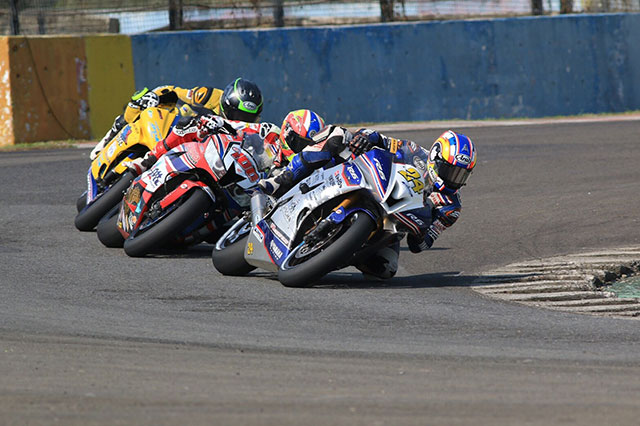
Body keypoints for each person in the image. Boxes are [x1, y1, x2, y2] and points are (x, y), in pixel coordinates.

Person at [258, 126, 477, 280]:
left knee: (386, 269)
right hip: (370, 184)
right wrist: (364, 138)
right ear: (436, 158)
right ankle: (283, 179)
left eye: (461, 175)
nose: (454, 179)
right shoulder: (414, 152)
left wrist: (423, 230)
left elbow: (420, 246)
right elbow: (377, 138)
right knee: (337, 135)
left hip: (390, 227)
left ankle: (338, 252)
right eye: (451, 171)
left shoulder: (451, 207)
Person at [90, 77, 264, 160]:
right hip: (173, 129)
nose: (240, 120)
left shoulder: (249, 132)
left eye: (247, 118)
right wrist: (156, 97)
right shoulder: (209, 96)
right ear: (226, 104)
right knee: (138, 104)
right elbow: (174, 91)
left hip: (194, 153)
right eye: (237, 115)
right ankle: (111, 136)